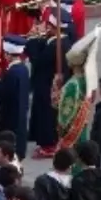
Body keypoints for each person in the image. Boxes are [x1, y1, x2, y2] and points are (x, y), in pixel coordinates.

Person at [27, 10, 76, 159]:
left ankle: (49, 145)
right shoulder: (57, 41)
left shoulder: (58, 45)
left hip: (49, 86)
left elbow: (38, 60)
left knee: (47, 116)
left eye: (49, 25)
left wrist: (32, 41)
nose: (46, 27)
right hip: (47, 83)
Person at [0, 34, 32, 159]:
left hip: (9, 116)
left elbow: (0, 93)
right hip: (20, 113)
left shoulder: (12, 72)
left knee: (7, 145)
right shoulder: (23, 69)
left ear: (8, 54)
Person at [57, 28, 100, 150]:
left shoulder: (72, 84)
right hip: (82, 123)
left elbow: (66, 112)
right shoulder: (86, 80)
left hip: (73, 127)